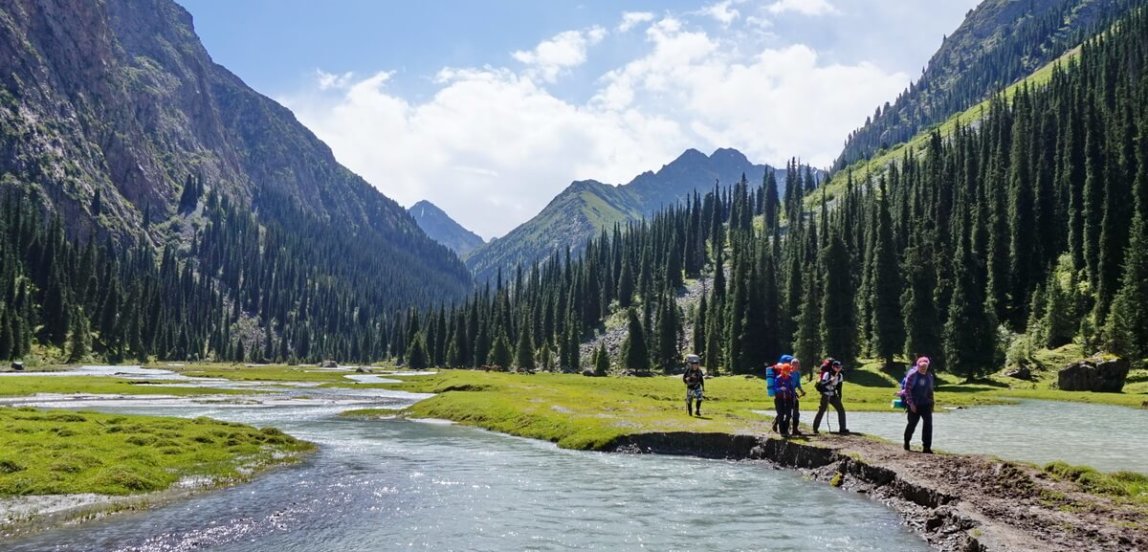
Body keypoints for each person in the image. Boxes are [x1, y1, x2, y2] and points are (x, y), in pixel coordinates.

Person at [903, 356, 935, 453]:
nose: (923, 369)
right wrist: (911, 404)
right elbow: (907, 390)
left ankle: (926, 447)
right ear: (918, 366)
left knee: (928, 424)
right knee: (912, 424)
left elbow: (930, 391)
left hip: (926, 404)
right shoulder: (912, 375)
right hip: (914, 403)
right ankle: (907, 442)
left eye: (925, 367)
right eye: (921, 367)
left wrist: (932, 403)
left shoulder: (930, 376)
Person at [812, 358, 848, 434]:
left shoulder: (840, 376)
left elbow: (839, 387)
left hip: (833, 395)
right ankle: (815, 428)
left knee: (841, 410)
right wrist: (830, 381)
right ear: (833, 367)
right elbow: (822, 385)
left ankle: (842, 429)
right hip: (825, 395)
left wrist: (839, 397)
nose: (838, 368)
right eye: (836, 367)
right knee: (821, 411)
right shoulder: (827, 374)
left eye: (839, 367)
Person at [772, 356, 800, 437]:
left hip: (788, 398)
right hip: (779, 398)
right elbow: (775, 389)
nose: (788, 372)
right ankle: (782, 432)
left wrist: (794, 396)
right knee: (780, 414)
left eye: (789, 371)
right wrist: (780, 389)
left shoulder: (790, 378)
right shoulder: (778, 378)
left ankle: (786, 430)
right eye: (787, 371)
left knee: (788, 414)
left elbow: (792, 388)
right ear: (783, 371)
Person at [788, 357, 807, 435]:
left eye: (797, 365)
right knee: (786, 412)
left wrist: (802, 391)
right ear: (791, 365)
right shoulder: (788, 373)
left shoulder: (798, 373)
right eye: (794, 364)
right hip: (788, 394)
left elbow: (798, 384)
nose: (796, 366)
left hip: (794, 394)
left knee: (796, 412)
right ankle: (776, 423)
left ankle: (795, 429)